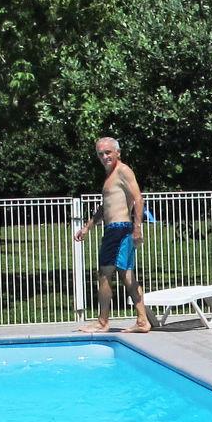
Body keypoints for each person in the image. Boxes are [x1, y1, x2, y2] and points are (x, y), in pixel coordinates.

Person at [73, 134, 152, 334]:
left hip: (120, 229)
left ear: (117, 152)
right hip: (113, 229)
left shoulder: (123, 171)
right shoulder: (110, 176)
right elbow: (105, 207)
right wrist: (87, 227)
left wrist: (137, 228)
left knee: (108, 274)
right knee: (124, 274)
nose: (104, 157)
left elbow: (138, 198)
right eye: (100, 154)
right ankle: (140, 321)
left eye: (108, 152)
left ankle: (104, 321)